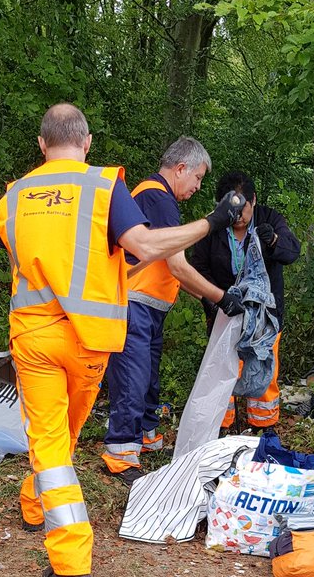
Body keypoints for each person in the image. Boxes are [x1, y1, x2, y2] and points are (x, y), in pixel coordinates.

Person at [0, 103, 247, 577]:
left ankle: (34, 502)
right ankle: (69, 559)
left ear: (42, 145)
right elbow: (147, 248)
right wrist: (213, 222)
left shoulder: (13, 198)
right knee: (57, 435)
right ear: (86, 143)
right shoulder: (104, 186)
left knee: (52, 436)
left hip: (35, 335)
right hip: (91, 340)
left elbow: (28, 259)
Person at [101, 138, 243, 481]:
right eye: (197, 178)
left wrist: (208, 297)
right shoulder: (158, 198)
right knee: (134, 379)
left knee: (147, 377)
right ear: (181, 169)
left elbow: (169, 267)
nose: (197, 187)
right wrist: (219, 297)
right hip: (134, 304)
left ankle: (145, 437)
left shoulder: (152, 197)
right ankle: (120, 454)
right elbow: (177, 265)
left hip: (147, 306)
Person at [192, 170, 301, 430]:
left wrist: (273, 241)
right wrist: (212, 300)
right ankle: (224, 426)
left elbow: (292, 251)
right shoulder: (212, 226)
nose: (238, 217)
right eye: (231, 211)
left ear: (253, 200)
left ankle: (264, 427)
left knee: (263, 369)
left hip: (264, 316)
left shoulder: (270, 218)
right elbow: (197, 269)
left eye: (244, 208)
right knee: (222, 369)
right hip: (224, 310)